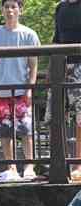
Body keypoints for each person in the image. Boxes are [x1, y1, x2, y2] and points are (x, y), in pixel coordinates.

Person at [0, 0, 40, 181]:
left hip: (21, 90)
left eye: (14, 7)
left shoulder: (29, 34)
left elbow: (33, 64)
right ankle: (12, 167)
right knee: (5, 132)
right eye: (6, 7)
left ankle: (29, 166)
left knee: (26, 130)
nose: (10, 10)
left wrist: (30, 88)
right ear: (2, 10)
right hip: (0, 89)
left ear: (20, 10)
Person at [49, 0, 81, 179]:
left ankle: (78, 163)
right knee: (56, 116)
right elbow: (57, 38)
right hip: (62, 66)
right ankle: (59, 164)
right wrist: (51, 68)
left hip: (80, 66)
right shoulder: (60, 7)